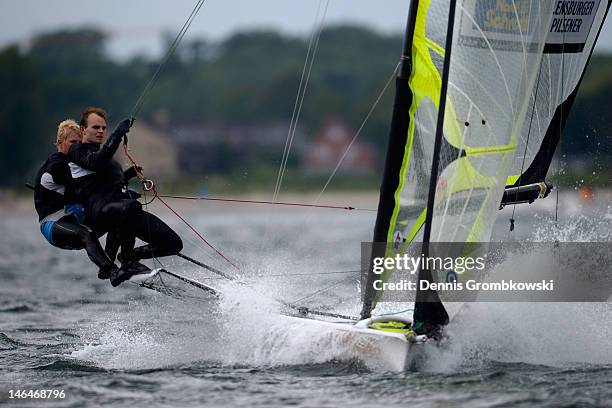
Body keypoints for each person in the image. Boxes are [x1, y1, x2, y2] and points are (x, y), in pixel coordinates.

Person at [69, 107, 183, 286]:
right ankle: (128, 263)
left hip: (122, 210)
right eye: (95, 127)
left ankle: (129, 256)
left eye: (103, 128)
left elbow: (109, 181)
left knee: (173, 244)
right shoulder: (77, 151)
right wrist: (117, 135)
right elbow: (96, 162)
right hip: (103, 213)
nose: (100, 131)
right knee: (130, 207)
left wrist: (128, 175)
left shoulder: (105, 156)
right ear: (83, 130)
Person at [34, 119, 119, 279]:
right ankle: (112, 270)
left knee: (117, 216)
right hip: (52, 224)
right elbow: (61, 173)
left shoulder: (78, 164)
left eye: (79, 143)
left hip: (76, 221)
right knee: (86, 234)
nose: (76, 146)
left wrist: (127, 175)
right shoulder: (56, 163)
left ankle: (114, 264)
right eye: (72, 142)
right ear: (60, 142)